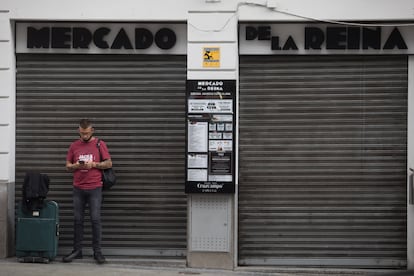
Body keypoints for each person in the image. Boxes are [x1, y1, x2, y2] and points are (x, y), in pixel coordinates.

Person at [63, 119, 112, 264]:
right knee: (78, 220)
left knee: (95, 220)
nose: (84, 135)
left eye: (87, 133)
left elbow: (109, 163)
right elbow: (67, 166)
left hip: (95, 188)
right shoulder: (74, 146)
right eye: (82, 133)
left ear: (92, 130)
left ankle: (97, 252)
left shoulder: (99, 144)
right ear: (79, 130)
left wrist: (94, 164)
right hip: (78, 188)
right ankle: (77, 251)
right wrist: (76, 166)